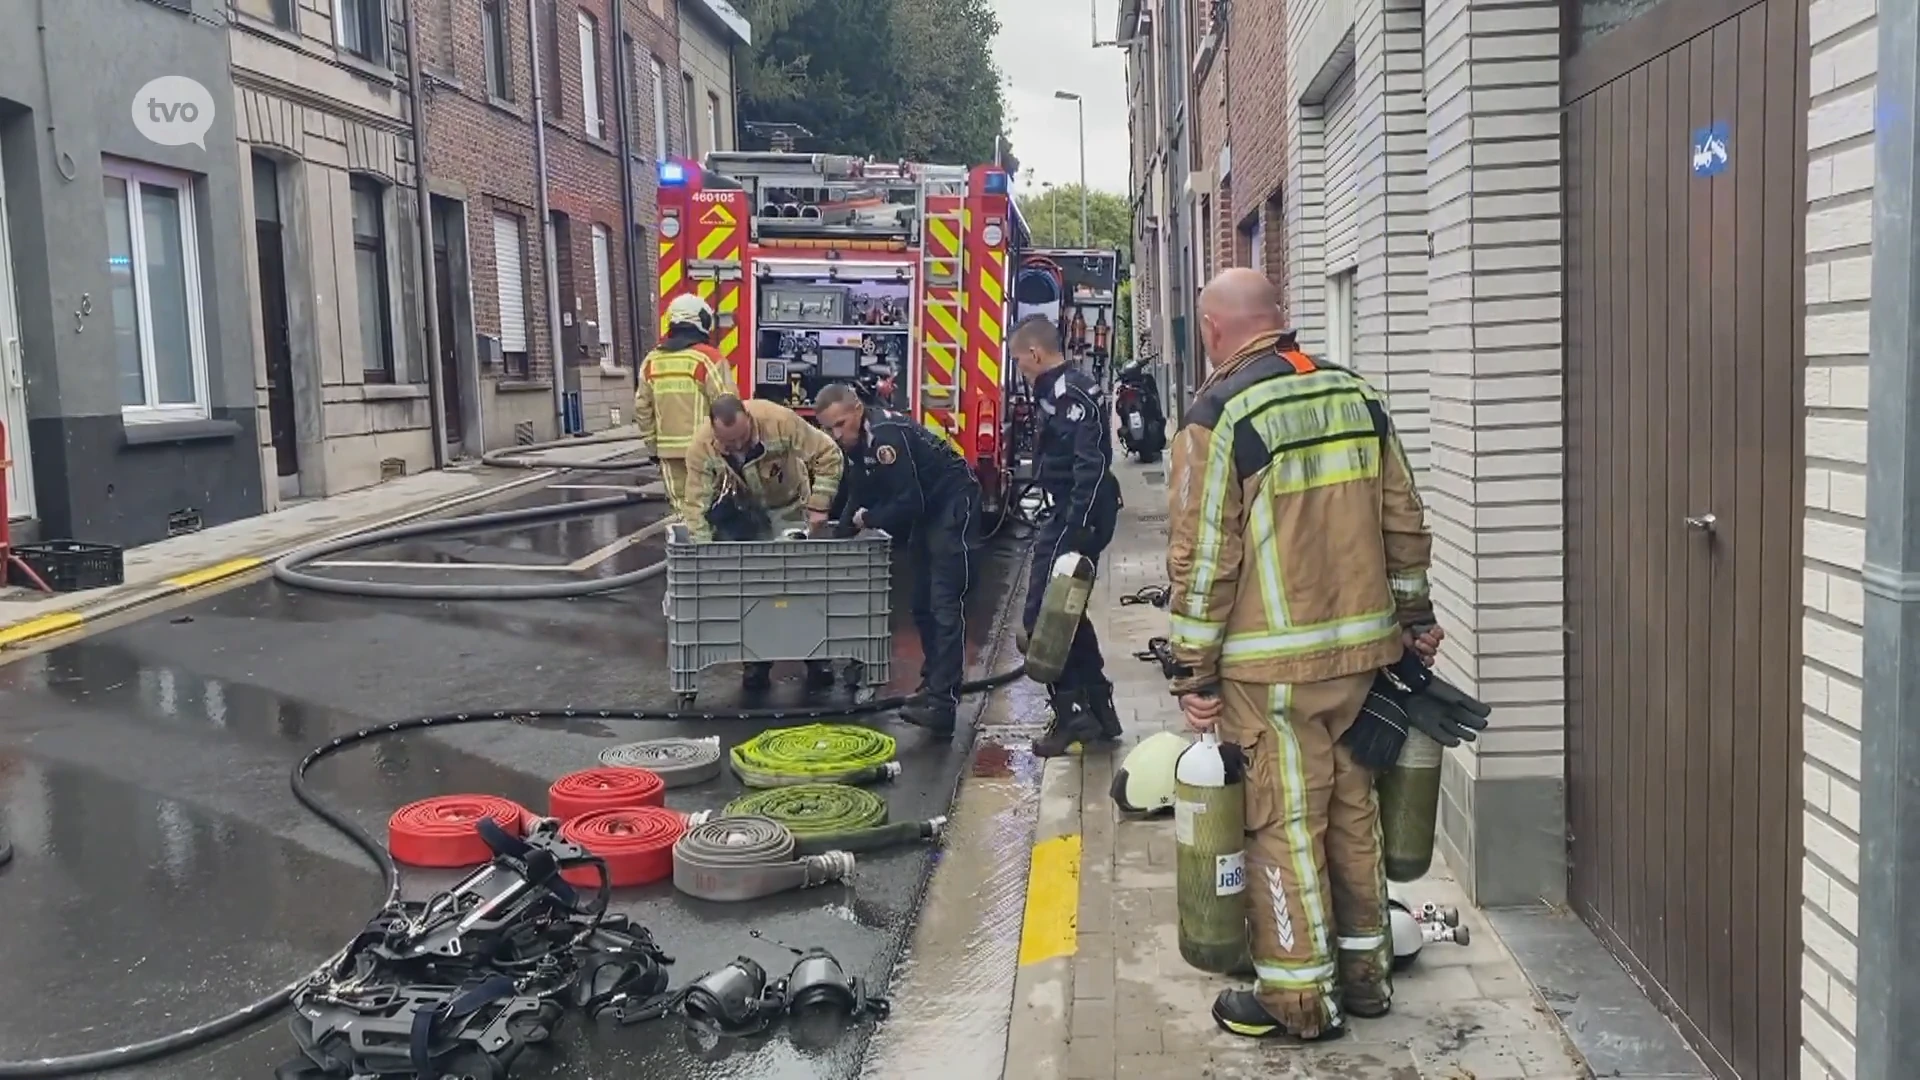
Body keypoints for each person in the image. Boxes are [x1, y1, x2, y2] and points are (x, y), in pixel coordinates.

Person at [1166, 268, 1445, 1042]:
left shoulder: (1220, 415)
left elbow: (1202, 559)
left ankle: (1297, 1001)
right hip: (1362, 660)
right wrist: (1414, 618)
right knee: (1353, 813)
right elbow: (1405, 520)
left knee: (1284, 823)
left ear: (1215, 331)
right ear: (1276, 320)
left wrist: (1193, 672)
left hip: (1270, 673)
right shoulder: (1357, 395)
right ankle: (1364, 980)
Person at [815, 383, 980, 734]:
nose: (836, 434)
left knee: (943, 602)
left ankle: (943, 702)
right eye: (829, 428)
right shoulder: (857, 441)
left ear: (857, 409)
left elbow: (910, 502)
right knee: (921, 603)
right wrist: (839, 532)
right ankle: (931, 684)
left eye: (840, 424)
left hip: (952, 499)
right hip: (928, 509)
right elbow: (859, 487)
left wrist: (868, 520)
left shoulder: (886, 436)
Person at [1008, 314, 1124, 758]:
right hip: (1071, 513)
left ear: (1035, 354)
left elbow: (1090, 465)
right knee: (1069, 611)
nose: (1021, 370)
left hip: (1077, 516)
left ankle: (1073, 715)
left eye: (1020, 362)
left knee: (1045, 618)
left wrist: (1075, 530)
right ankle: (1099, 706)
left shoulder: (1069, 393)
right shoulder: (1058, 390)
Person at [683, 395, 845, 691]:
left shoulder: (779, 421)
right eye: (728, 445)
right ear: (713, 430)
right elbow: (695, 506)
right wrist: (704, 554)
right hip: (750, 514)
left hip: (790, 506)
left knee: (801, 585)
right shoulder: (702, 447)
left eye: (742, 439)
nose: (738, 448)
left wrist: (820, 504)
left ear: (749, 418)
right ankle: (757, 662)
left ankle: (817, 656)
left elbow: (828, 454)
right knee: (754, 591)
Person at [636, 295, 734, 520]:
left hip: (668, 452)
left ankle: (688, 551)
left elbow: (643, 409)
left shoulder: (652, 361)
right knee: (708, 508)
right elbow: (727, 405)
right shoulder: (708, 359)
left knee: (683, 511)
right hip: (706, 450)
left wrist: (653, 447)